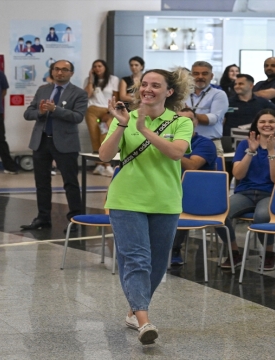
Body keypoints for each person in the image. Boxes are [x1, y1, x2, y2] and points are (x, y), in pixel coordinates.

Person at [99, 68, 193, 345]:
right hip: (126, 200)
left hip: (165, 201)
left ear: (169, 92)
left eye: (155, 85)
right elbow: (105, 155)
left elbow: (176, 152)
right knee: (137, 259)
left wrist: (142, 130)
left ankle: (133, 310)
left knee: (157, 264)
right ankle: (144, 320)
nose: (147, 89)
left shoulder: (180, 122)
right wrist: (122, 125)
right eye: (144, 85)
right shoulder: (124, 119)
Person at [216, 109, 275, 271]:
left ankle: (269, 253)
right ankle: (234, 251)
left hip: (272, 194)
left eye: (271, 122)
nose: (266, 125)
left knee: (261, 216)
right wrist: (250, 152)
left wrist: (272, 152)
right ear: (256, 125)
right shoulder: (245, 145)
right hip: (245, 192)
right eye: (262, 122)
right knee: (219, 212)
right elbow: (237, 174)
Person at [20, 60, 87, 231]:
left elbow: (78, 117)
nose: (60, 72)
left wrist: (55, 110)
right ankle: (43, 218)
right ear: (52, 71)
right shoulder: (43, 89)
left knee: (70, 183)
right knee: (41, 182)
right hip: (41, 141)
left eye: (65, 70)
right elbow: (28, 113)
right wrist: (40, 112)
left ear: (71, 73)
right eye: (56, 69)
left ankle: (75, 219)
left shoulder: (78, 93)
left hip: (65, 142)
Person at [170, 107, 217, 266]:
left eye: (188, 119)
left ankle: (174, 249)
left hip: (200, 193)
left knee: (179, 203)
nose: (183, 122)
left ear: (195, 122)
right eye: (179, 119)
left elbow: (192, 166)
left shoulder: (205, 143)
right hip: (171, 187)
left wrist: (171, 150)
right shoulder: (168, 140)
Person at [184, 61, 229, 156]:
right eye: (196, 74)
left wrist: (189, 114)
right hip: (185, 142)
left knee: (212, 171)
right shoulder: (183, 94)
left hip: (211, 143)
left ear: (211, 76)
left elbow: (213, 119)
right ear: (191, 76)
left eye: (205, 74)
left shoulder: (219, 94)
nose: (200, 77)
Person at [83, 59, 119, 177]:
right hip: (92, 110)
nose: (97, 68)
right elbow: (86, 95)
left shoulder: (113, 79)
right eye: (95, 66)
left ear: (105, 67)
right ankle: (99, 165)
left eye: (100, 66)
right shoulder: (88, 81)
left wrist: (109, 113)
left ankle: (107, 165)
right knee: (94, 137)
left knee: (105, 137)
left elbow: (116, 98)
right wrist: (90, 79)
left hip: (107, 111)